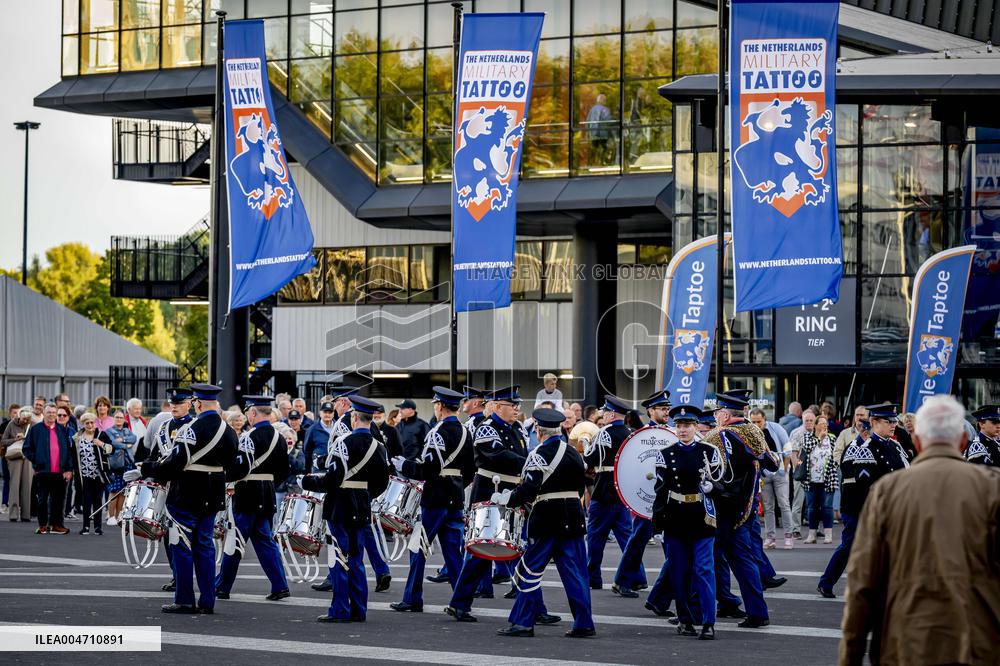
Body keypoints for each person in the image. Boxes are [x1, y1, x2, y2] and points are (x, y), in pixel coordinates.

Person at [840, 395, 1000, 665]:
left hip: (906, 641)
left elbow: (863, 584)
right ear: (962, 442)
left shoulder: (887, 493)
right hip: (979, 641)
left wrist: (850, 656)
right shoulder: (992, 489)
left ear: (917, 441)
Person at [446, 387, 557, 621]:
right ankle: (459, 603)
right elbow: (498, 456)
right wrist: (530, 462)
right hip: (491, 493)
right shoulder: (486, 428)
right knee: (480, 553)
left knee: (520, 551)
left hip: (513, 494)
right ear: (496, 406)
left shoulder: (516, 429)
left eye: (517, 405)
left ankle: (536, 609)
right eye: (511, 405)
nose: (517, 409)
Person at [129, 384, 240, 614]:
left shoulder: (191, 429)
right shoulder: (228, 431)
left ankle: (185, 599)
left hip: (187, 493)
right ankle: (208, 600)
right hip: (213, 493)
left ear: (197, 404)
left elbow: (174, 464)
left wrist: (147, 468)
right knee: (206, 546)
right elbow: (231, 465)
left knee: (180, 545)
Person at [495, 407, 595, 638]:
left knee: (529, 570)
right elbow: (580, 487)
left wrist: (507, 498)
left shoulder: (538, 454)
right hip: (574, 517)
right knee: (576, 573)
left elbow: (529, 488)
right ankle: (584, 622)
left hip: (548, 519)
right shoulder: (573, 454)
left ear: (539, 430)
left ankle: (522, 622)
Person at [302, 395, 390, 623]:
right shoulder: (378, 446)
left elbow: (332, 479)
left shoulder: (344, 443)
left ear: (353, 418)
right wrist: (364, 495)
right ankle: (359, 609)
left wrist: (307, 482)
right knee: (357, 559)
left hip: (340, 504)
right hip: (361, 505)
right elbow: (382, 482)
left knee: (339, 558)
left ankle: (340, 609)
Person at [391, 387, 475, 613]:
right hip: (455, 497)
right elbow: (470, 471)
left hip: (435, 498)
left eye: (436, 404)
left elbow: (428, 469)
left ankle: (412, 598)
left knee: (418, 548)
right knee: (453, 554)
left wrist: (405, 466)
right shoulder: (467, 432)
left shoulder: (437, 433)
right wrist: (455, 485)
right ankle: (460, 604)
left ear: (440, 406)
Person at [702, 389, 778, 628]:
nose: (715, 417)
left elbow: (709, 472)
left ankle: (694, 611)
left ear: (724, 414)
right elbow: (772, 464)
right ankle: (757, 611)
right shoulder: (753, 431)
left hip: (720, 508)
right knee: (743, 560)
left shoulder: (717, 435)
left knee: (704, 559)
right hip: (746, 507)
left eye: (717, 413)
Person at [817, 403, 909, 599]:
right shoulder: (861, 447)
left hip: (889, 508)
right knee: (850, 546)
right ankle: (827, 581)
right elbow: (862, 484)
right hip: (860, 507)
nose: (893, 425)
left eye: (894, 421)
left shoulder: (895, 446)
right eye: (888, 421)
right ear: (874, 422)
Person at [653, 406, 721, 640]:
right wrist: (657, 522)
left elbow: (723, 485)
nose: (682, 430)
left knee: (704, 570)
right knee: (678, 571)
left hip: (701, 516)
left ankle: (708, 621)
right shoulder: (665, 453)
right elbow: (660, 491)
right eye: (679, 426)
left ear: (695, 427)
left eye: (687, 425)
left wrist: (714, 488)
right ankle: (685, 620)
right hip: (675, 516)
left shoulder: (709, 451)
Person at [215, 396, 291, 602]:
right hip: (267, 492)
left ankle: (222, 586)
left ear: (254, 413)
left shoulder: (249, 437)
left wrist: (222, 477)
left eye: (249, 411)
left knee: (235, 540)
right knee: (265, 541)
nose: (247, 415)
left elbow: (240, 468)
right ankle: (280, 584)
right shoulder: (280, 437)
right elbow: (284, 470)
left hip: (248, 492)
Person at [612, 389, 670, 597]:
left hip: (666, 497)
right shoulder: (641, 436)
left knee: (664, 541)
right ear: (650, 411)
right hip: (647, 497)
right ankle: (624, 580)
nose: (666, 412)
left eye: (667, 409)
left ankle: (630, 580)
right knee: (639, 539)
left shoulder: (670, 433)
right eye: (662, 409)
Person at [584, 394, 635, 590]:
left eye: (605, 411)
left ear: (612, 414)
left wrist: (586, 443)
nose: (603, 414)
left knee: (596, 537)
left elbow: (590, 458)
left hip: (604, 490)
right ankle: (632, 578)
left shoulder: (604, 433)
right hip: (622, 491)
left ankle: (593, 577)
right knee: (627, 539)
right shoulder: (631, 433)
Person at [22, 403, 74, 535]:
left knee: (59, 500)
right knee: (42, 500)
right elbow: (26, 449)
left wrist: (68, 469)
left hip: (60, 472)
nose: (51, 414)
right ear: (44, 414)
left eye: (53, 412)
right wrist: (37, 460)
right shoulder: (36, 429)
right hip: (43, 471)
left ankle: (57, 525)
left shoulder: (62, 429)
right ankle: (43, 525)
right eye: (49, 412)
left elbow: (68, 451)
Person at [749, 408, 793, 550]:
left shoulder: (776, 428)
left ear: (764, 420)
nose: (756, 424)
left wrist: (784, 469)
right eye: (753, 421)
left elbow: (787, 448)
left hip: (779, 472)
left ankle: (788, 536)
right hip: (764, 473)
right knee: (768, 507)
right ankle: (770, 537)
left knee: (784, 504)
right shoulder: (750, 432)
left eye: (759, 421)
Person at [799, 415, 837, 544]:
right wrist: (819, 438)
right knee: (812, 508)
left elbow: (836, 455)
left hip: (828, 478)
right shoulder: (807, 437)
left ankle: (828, 535)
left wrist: (835, 466)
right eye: (821, 423)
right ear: (815, 425)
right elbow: (807, 448)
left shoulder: (832, 438)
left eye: (825, 423)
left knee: (827, 507)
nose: (824, 426)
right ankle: (812, 535)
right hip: (811, 479)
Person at [71, 413, 110, 535]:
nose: (90, 425)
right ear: (83, 424)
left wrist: (101, 444)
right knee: (86, 501)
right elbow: (73, 456)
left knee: (98, 500)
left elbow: (111, 449)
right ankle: (86, 527)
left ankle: (98, 527)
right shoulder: (77, 437)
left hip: (98, 474)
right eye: (87, 423)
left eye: (92, 422)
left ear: (95, 423)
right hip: (84, 475)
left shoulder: (101, 435)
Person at [103, 409, 137, 525]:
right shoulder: (108, 431)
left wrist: (123, 440)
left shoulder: (127, 430)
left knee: (123, 491)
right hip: (116, 464)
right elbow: (113, 443)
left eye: (121, 417)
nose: (119, 419)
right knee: (114, 490)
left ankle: (118, 516)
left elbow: (134, 439)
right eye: (117, 417)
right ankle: (111, 516)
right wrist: (126, 445)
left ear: (124, 419)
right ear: (113, 418)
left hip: (128, 464)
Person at [788, 408, 817, 538]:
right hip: (802, 472)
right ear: (802, 420)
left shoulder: (818, 432)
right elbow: (793, 455)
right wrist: (799, 469)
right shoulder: (797, 433)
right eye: (807, 420)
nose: (809, 423)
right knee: (798, 501)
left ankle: (814, 528)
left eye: (812, 420)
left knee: (814, 503)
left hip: (816, 473)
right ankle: (795, 529)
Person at [2, 407, 35, 522]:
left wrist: (25, 438)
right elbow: (3, 441)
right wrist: (15, 440)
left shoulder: (33, 424)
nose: (25, 421)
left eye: (27, 419)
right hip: (15, 457)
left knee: (27, 485)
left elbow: (36, 441)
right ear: (19, 416)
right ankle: (13, 514)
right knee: (14, 485)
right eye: (23, 419)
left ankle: (26, 514)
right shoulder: (11, 424)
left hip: (28, 457)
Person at [304, 401, 337, 474]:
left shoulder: (339, 428)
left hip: (336, 469)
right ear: (320, 413)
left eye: (330, 412)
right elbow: (307, 452)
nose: (327, 414)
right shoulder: (312, 429)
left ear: (333, 413)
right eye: (325, 412)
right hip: (318, 469)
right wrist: (308, 470)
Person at [585, 93, 613, 164]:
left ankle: (593, 163)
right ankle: (601, 162)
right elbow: (608, 120)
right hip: (603, 134)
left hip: (593, 134)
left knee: (595, 148)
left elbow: (587, 121)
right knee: (605, 148)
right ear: (603, 100)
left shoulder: (592, 110)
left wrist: (587, 133)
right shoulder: (605, 110)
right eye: (605, 100)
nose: (605, 101)